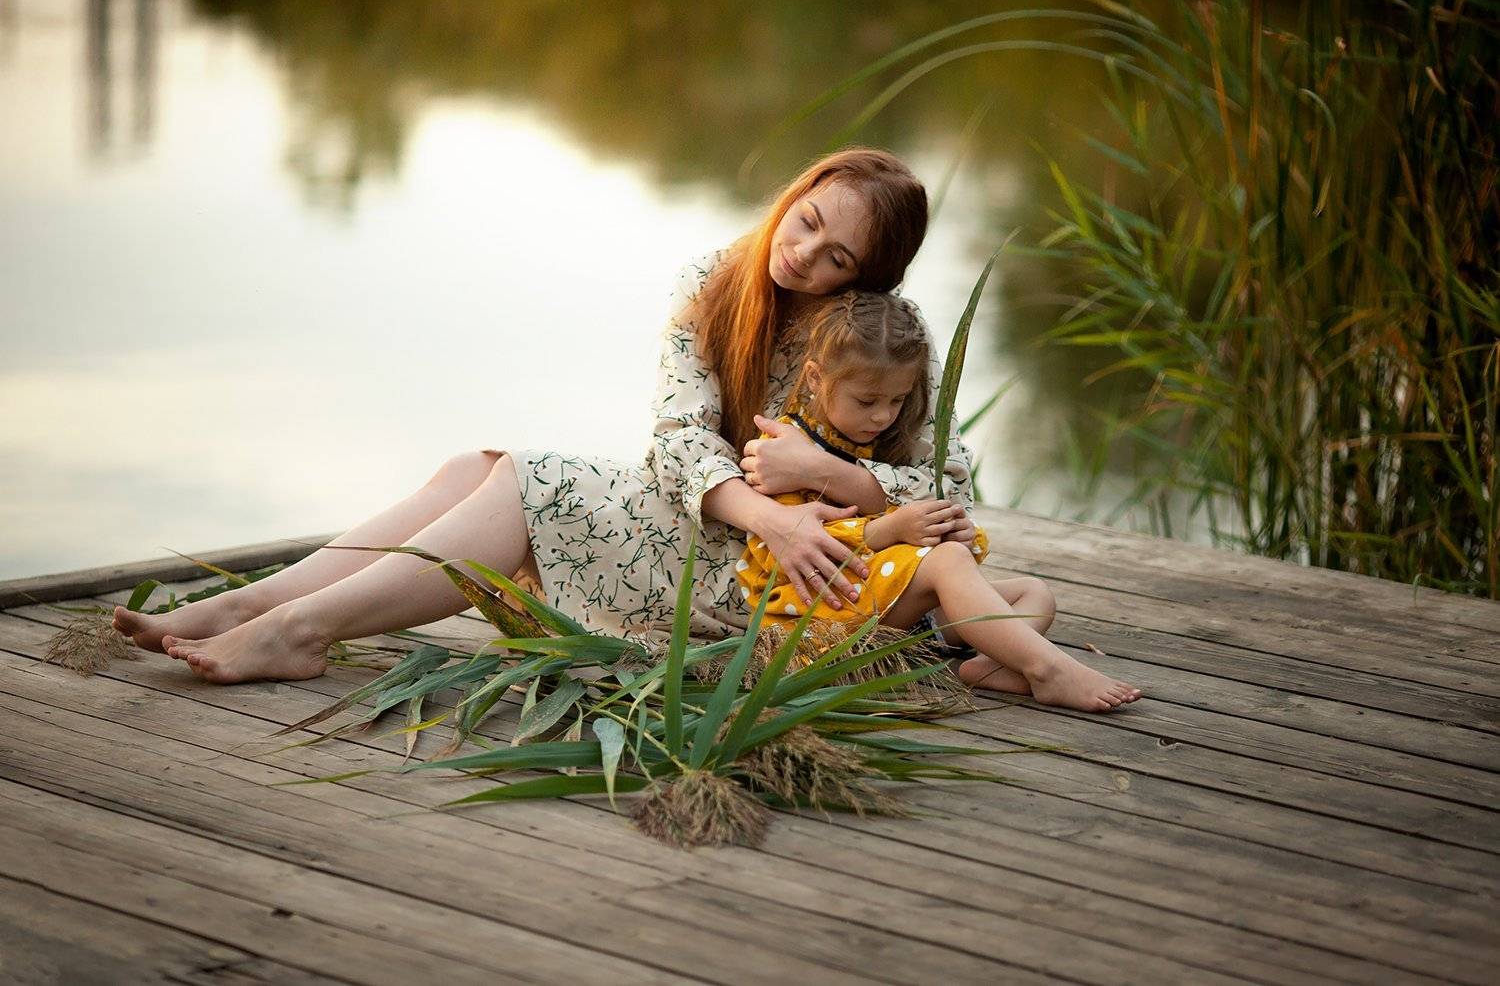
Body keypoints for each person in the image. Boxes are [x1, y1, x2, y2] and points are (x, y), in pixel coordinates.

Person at [108, 146, 1133, 713]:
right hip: (724, 523)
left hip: (770, 573)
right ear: (797, 194)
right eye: (808, 221)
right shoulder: (712, 283)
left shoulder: (868, 341)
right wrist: (767, 512)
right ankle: (250, 602)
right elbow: (679, 441)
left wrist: (842, 482)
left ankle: (295, 632)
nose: (806, 255)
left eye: (836, 258)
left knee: (532, 480)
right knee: (481, 465)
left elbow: (950, 474)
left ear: (865, 279)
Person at [736, 290, 1141, 711]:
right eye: (867, 401)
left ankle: (988, 665)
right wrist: (889, 529)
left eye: (897, 400)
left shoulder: (876, 444)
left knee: (1033, 592)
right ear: (816, 378)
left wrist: (960, 534)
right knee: (947, 563)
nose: (882, 416)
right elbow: (781, 548)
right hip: (814, 619)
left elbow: (924, 530)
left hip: (887, 609)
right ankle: (1048, 670)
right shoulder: (784, 446)